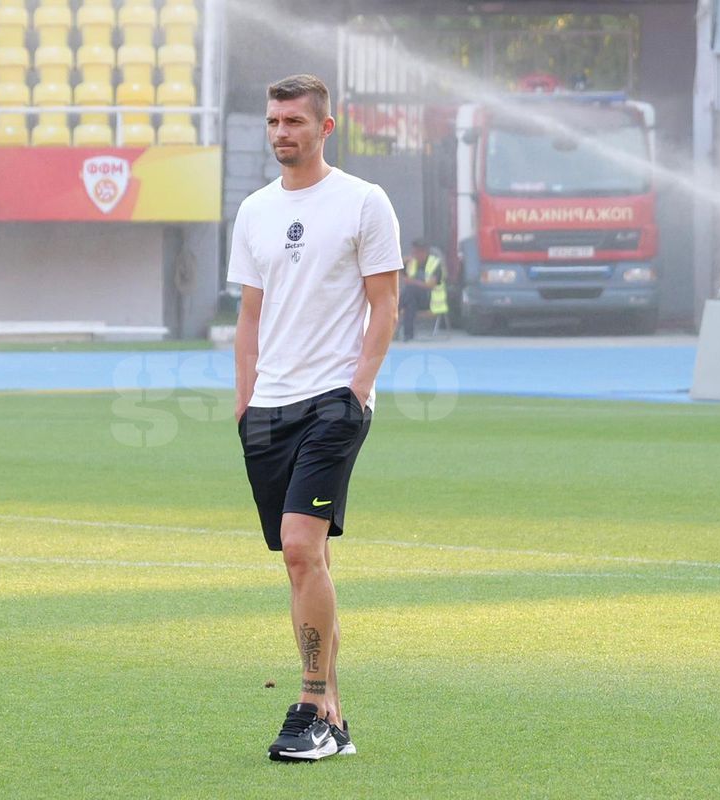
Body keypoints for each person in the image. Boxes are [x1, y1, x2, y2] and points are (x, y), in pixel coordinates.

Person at [227, 74, 402, 762]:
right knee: (306, 564)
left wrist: (359, 388)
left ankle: (307, 706)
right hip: (267, 408)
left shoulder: (364, 201)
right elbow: (250, 315)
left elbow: (385, 304)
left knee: (302, 546)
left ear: (325, 128)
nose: (281, 133)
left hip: (334, 400)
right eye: (273, 122)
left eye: (294, 122)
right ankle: (336, 716)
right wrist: (243, 402)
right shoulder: (254, 211)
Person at [398, 239, 445, 341]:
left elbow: (431, 285)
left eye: (416, 252)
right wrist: (402, 262)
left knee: (410, 291)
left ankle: (393, 315)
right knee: (410, 300)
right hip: (414, 299)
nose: (414, 255)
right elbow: (402, 276)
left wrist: (412, 282)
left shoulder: (435, 264)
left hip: (430, 300)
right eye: (413, 252)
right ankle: (408, 335)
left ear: (424, 252)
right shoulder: (412, 263)